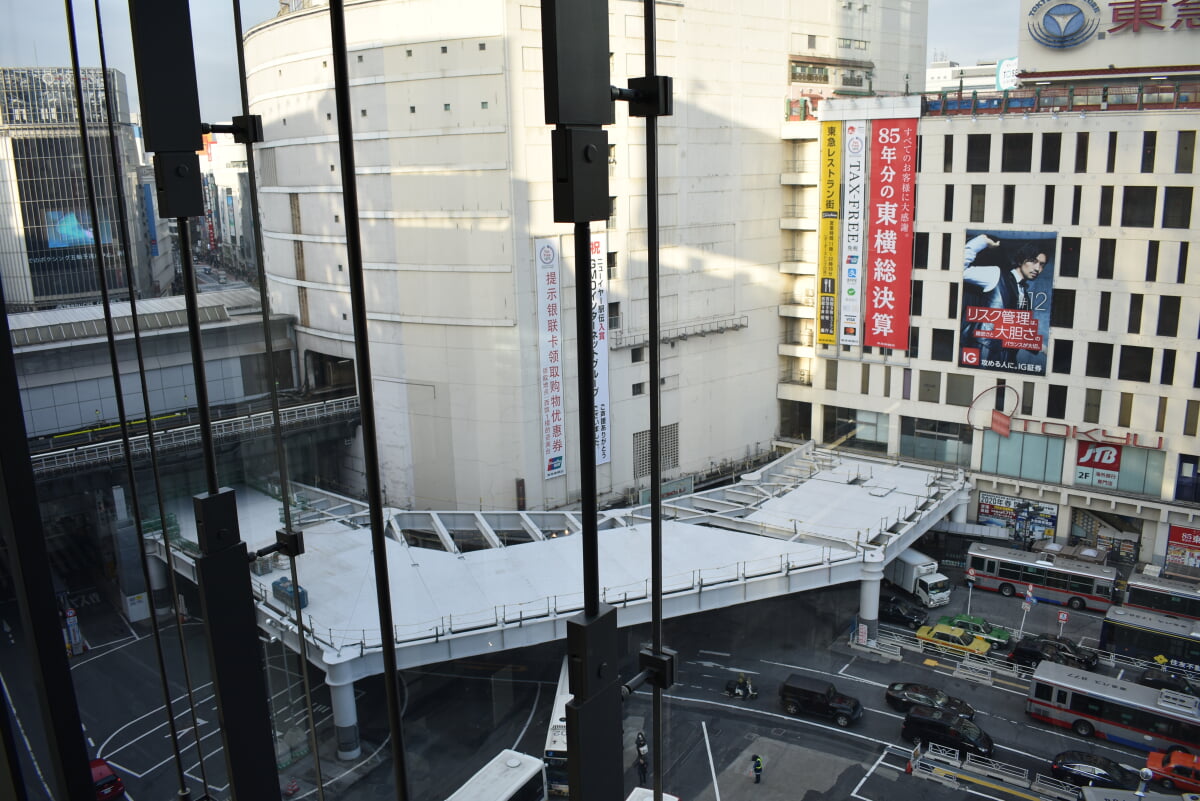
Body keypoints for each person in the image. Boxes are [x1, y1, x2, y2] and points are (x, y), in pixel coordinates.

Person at [961, 234, 1047, 366]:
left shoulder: (1024, 292)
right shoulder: (996, 274)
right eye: (1033, 261)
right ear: (1021, 260)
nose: (1037, 268)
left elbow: (1017, 330)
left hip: (1007, 356)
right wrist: (981, 242)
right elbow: (960, 270)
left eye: (1042, 264)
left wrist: (1042, 347)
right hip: (985, 349)